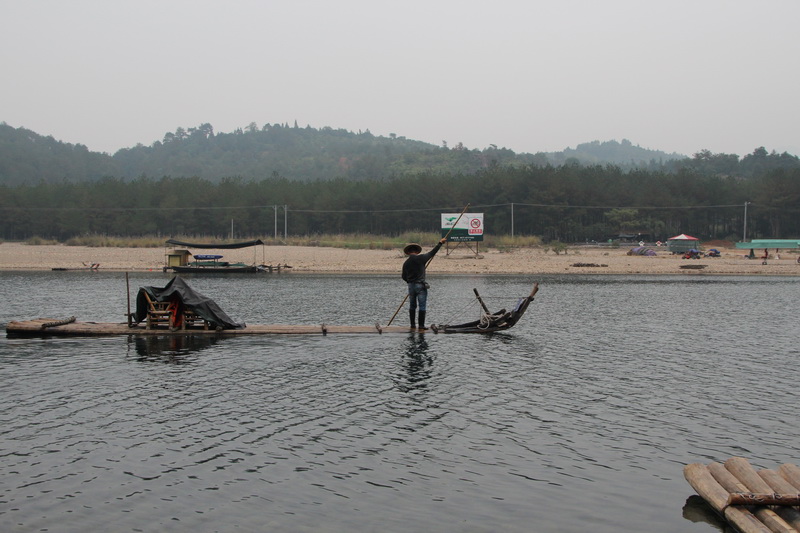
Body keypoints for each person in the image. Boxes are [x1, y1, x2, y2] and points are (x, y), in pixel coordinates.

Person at [402, 238, 447, 330]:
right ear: (417, 252)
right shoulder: (421, 258)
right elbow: (432, 252)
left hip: (411, 286)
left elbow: (403, 276)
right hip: (420, 285)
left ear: (408, 252)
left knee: (412, 306)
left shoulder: (406, 263)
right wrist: (440, 243)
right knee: (422, 305)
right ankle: (421, 326)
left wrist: (409, 281)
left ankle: (413, 325)